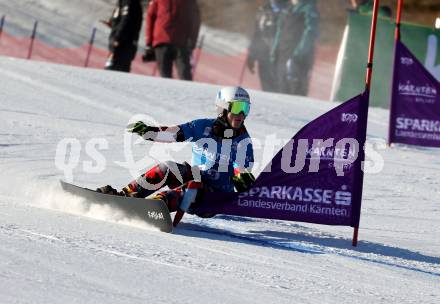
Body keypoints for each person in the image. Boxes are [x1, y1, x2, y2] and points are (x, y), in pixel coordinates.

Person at [98, 87, 255, 226]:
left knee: (191, 189)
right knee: (167, 167)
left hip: (213, 198)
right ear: (223, 108)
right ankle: (125, 196)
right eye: (238, 107)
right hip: (197, 178)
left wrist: (243, 180)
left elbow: (241, 169)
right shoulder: (203, 127)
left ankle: (155, 206)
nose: (241, 114)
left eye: (245, 109)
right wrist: (150, 132)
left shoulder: (244, 141)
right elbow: (174, 133)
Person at [143, 0, 201, 80]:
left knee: (185, 76)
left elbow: (195, 20)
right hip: (161, 42)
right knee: (165, 77)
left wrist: (192, 43)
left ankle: (187, 92)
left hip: (181, 44)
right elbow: (150, 17)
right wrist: (149, 42)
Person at [271, 0, 320, 96]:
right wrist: (274, 51)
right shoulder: (287, 8)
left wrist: (298, 54)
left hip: (299, 59)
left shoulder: (309, 8)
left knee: (295, 92)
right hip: (282, 55)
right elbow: (279, 31)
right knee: (280, 90)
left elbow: (311, 32)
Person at [247, 0, 288, 93]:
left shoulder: (290, 10)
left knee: (282, 91)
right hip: (264, 56)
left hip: (281, 56)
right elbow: (256, 34)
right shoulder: (263, 10)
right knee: (267, 90)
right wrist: (251, 56)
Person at [104, 0, 143, 72]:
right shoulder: (123, 2)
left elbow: (126, 20)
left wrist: (117, 37)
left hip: (123, 44)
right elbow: (121, 18)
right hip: (123, 43)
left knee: (112, 72)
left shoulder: (128, 2)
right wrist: (113, 23)